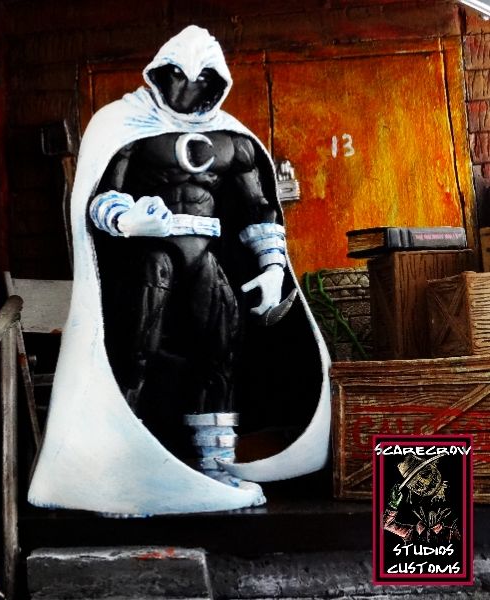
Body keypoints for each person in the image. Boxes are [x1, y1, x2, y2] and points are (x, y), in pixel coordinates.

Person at [28, 25, 330, 516]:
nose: (189, 90)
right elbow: (100, 197)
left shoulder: (233, 139)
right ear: (161, 74)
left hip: (205, 255)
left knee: (221, 349)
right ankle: (123, 466)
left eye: (202, 80)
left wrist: (273, 266)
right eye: (180, 78)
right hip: (151, 257)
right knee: (135, 351)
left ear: (217, 81)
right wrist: (129, 220)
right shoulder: (124, 125)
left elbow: (259, 210)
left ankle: (215, 463)